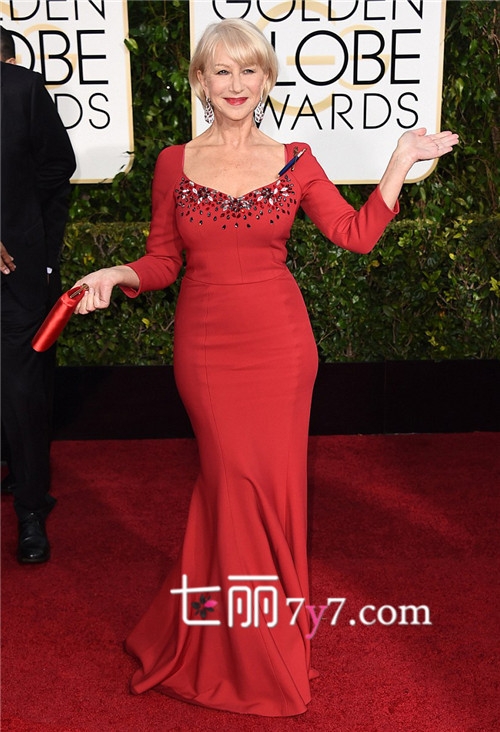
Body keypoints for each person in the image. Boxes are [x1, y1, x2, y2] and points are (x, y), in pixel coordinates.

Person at [73, 19, 458, 716]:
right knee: (232, 484)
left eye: (248, 70)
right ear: (200, 81)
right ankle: (238, 641)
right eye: (221, 71)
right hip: (206, 352)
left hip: (282, 348)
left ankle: (263, 634)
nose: (236, 84)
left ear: (267, 80)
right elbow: (162, 260)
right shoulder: (173, 163)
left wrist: (400, 162)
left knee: (273, 491)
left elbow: (354, 235)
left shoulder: (296, 159)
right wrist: (115, 272)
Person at [1, 25, 76, 563]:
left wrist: (36, 248)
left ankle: (30, 508)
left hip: (14, 275)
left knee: (23, 390)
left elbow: (57, 169)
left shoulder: (21, 90)